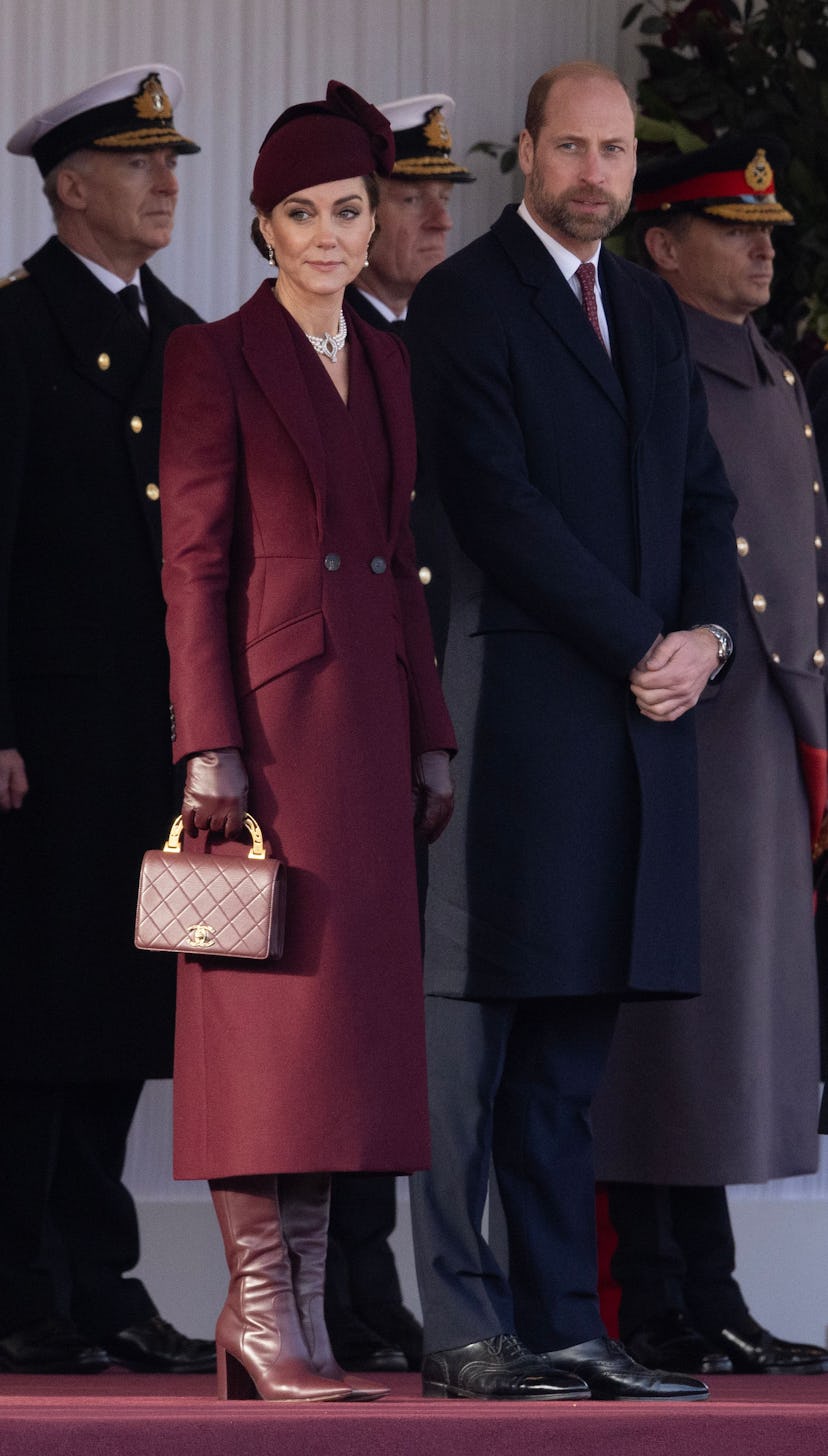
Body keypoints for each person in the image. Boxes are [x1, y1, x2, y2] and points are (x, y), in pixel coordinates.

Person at [404, 59, 738, 1402]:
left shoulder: (649, 309)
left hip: (640, 727)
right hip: (524, 722)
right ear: (528, 154)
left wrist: (706, 639)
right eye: (574, 149)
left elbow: (705, 498)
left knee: (566, 1061)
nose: (597, 173)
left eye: (616, 152)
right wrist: (642, 643)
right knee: (475, 1053)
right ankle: (463, 1326)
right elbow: (497, 508)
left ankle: (562, 1326)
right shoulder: (465, 300)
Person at [158, 80, 456, 1404]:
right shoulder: (213, 354)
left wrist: (432, 732)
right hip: (269, 731)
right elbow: (191, 564)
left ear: (373, 219)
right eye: (301, 215)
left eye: (348, 211)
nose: (328, 235)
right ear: (263, 226)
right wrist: (208, 744)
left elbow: (400, 559)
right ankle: (259, 1311)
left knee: (344, 1029)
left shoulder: (388, 359)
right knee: (262, 1020)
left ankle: (302, 1320)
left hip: (373, 724)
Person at [591, 135, 828, 1378]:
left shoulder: (768, 364)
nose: (762, 249)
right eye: (736, 230)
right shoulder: (652, 361)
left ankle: (710, 1286)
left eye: (769, 231)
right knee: (670, 1028)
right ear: (664, 247)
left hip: (764, 730)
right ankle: (660, 1292)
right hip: (691, 719)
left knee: (732, 1025)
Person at [0, 65, 215, 1377]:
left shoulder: (182, 334)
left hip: (155, 743)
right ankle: (19, 1286)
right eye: (140, 164)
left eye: (171, 162)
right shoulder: (15, 331)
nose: (165, 182)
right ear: (70, 186)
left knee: (128, 1019)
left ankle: (102, 1282)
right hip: (45, 745)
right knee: (34, 1021)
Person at [327, 91, 474, 1377]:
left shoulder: (440, 345)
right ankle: (340, 1286)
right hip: (347, 720)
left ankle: (375, 1290)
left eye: (441, 194)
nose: (434, 214)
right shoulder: (327, 344)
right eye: (407, 194)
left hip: (441, 710)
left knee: (407, 1015)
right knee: (349, 1008)